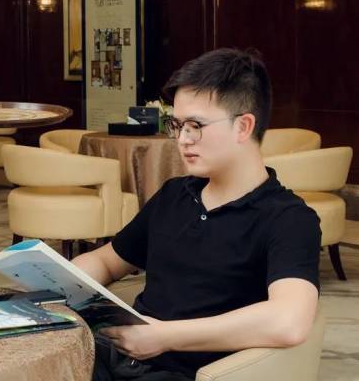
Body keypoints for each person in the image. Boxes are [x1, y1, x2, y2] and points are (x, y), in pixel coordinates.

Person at [72, 48, 321, 380]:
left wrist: (163, 337)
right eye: (177, 125)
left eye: (195, 126)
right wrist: (57, 282)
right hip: (118, 358)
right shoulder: (174, 194)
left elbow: (288, 321)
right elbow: (106, 261)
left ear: (243, 126)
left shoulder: (288, 219)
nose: (182, 140)